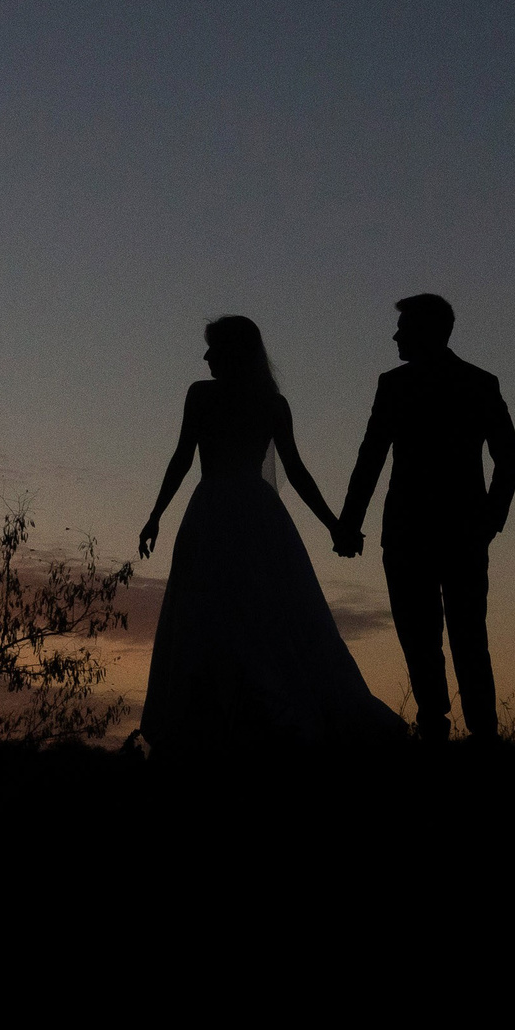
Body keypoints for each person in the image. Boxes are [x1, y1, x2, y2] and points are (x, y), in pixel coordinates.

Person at [136, 316, 404, 752]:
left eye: (213, 348)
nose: (205, 357)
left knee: (236, 612)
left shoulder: (235, 400)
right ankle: (229, 720)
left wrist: (335, 523)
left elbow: (289, 469)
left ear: (232, 352)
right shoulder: (247, 400)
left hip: (222, 514)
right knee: (234, 612)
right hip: (250, 513)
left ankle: (235, 722)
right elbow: (188, 459)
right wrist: (155, 514)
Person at [334, 294, 515, 742]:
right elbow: (371, 457)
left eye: (403, 328)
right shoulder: (472, 382)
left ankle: (450, 728)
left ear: (427, 330)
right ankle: (468, 730)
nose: (395, 336)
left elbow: (371, 459)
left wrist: (350, 523)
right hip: (439, 530)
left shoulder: (418, 385)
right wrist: (489, 520)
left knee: (442, 633)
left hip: (425, 529)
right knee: (450, 633)